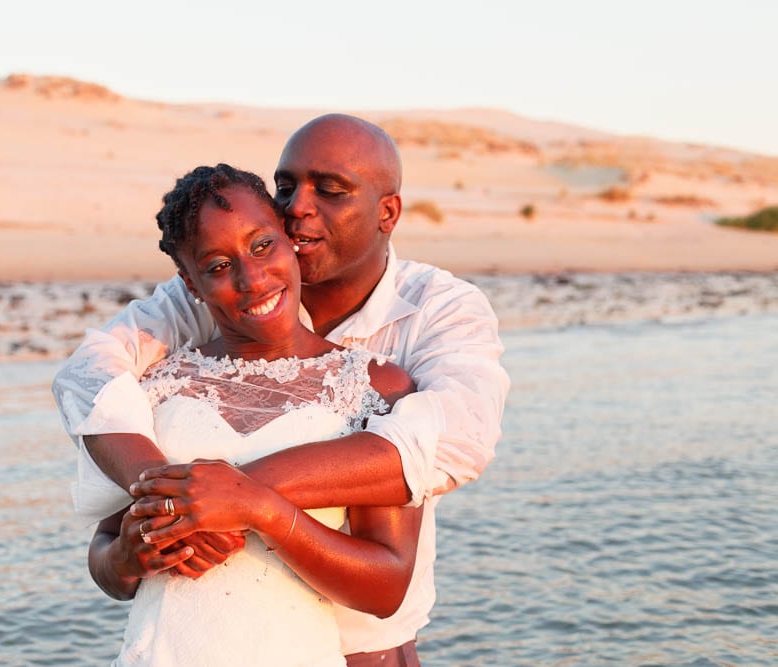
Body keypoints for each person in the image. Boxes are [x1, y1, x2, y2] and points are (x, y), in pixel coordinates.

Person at [53, 114, 510, 664]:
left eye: (330, 189)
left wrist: (237, 499)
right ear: (194, 283)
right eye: (286, 186)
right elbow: (88, 378)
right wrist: (164, 509)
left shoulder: (436, 314)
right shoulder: (193, 317)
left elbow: (456, 439)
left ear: (387, 212)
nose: (297, 207)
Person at [86, 163, 423, 666]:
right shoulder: (157, 386)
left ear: (289, 241)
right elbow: (108, 556)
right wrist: (125, 558)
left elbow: (386, 587)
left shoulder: (372, 386)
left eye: (262, 246)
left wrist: (261, 510)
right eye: (218, 266)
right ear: (190, 283)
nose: (252, 278)